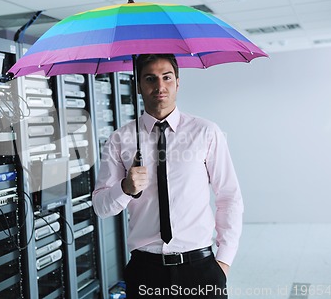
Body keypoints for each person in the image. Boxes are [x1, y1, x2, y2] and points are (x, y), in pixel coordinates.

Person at [92, 54, 243, 298]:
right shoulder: (120, 139)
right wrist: (125, 188)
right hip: (145, 270)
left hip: (200, 267)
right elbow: (100, 207)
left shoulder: (206, 132)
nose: (160, 86)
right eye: (150, 78)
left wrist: (223, 261)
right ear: (139, 85)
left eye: (167, 77)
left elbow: (229, 196)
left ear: (178, 82)